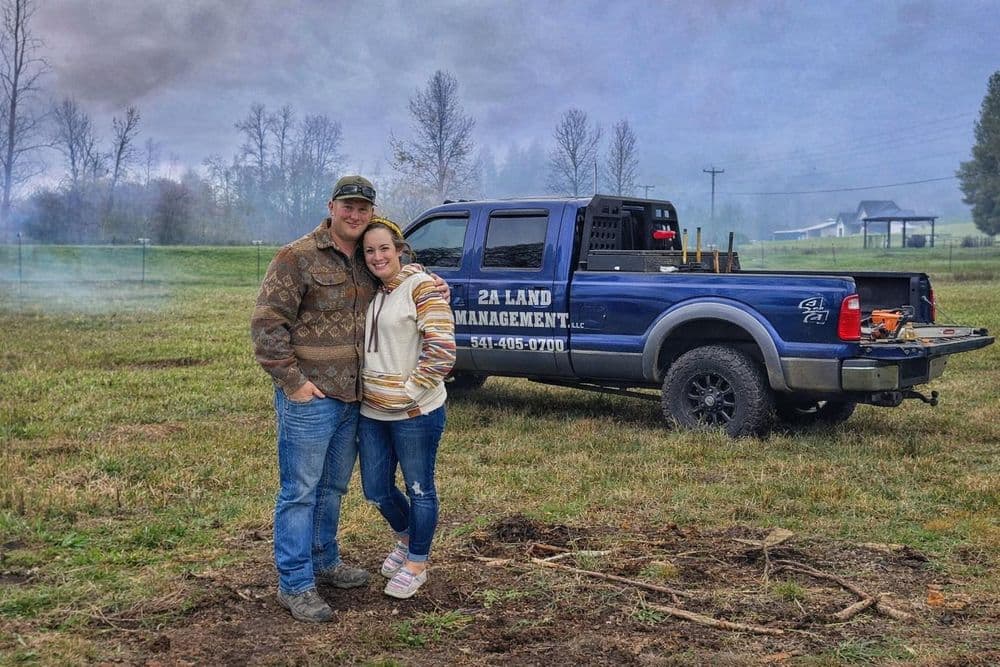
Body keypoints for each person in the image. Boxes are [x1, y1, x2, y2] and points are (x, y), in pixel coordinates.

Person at [251, 176, 440, 623]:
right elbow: (266, 324)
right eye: (348, 206)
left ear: (371, 214)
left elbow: (404, 268)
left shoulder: (367, 257)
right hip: (310, 399)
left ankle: (325, 559)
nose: (355, 215)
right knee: (300, 491)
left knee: (333, 488)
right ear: (331, 207)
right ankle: (295, 583)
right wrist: (293, 382)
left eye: (363, 208)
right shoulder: (297, 257)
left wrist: (433, 281)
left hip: (355, 400)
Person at [357, 219, 456, 599]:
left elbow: (442, 350)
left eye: (384, 248)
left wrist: (410, 390)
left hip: (415, 413)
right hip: (372, 413)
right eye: (369, 251)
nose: (377, 256)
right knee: (376, 489)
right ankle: (405, 537)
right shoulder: (372, 291)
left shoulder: (422, 287)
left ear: (400, 249)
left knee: (420, 489)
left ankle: (417, 562)